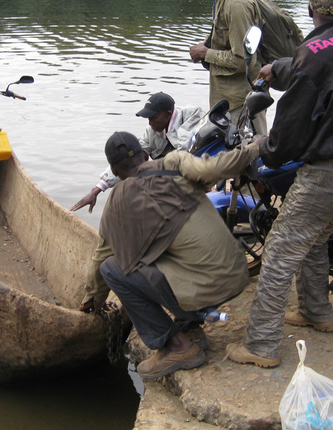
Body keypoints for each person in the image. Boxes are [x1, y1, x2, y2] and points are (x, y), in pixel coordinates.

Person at [226, 0, 333, 368]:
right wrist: (278, 68)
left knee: (280, 249)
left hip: (331, 169)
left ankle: (260, 346)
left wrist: (266, 149)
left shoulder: (312, 53)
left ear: (311, 8)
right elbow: (311, 67)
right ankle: (317, 311)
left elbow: (289, 130)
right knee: (316, 237)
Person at [80, 131, 255, 379]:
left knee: (112, 268)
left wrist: (93, 300)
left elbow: (100, 262)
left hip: (204, 290)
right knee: (163, 250)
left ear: (114, 171)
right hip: (237, 274)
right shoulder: (175, 161)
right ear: (144, 154)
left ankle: (179, 346)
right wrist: (254, 148)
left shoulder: (117, 202)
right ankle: (190, 324)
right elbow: (216, 167)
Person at [70, 92, 205, 212]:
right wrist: (98, 189)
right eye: (148, 118)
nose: (150, 122)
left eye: (153, 117)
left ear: (168, 114)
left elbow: (183, 152)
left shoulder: (193, 116)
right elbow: (130, 157)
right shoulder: (152, 131)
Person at [185, 0, 265, 131]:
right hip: (228, 103)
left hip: (241, 105)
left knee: (248, 157)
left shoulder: (237, 3)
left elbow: (242, 60)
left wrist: (205, 53)